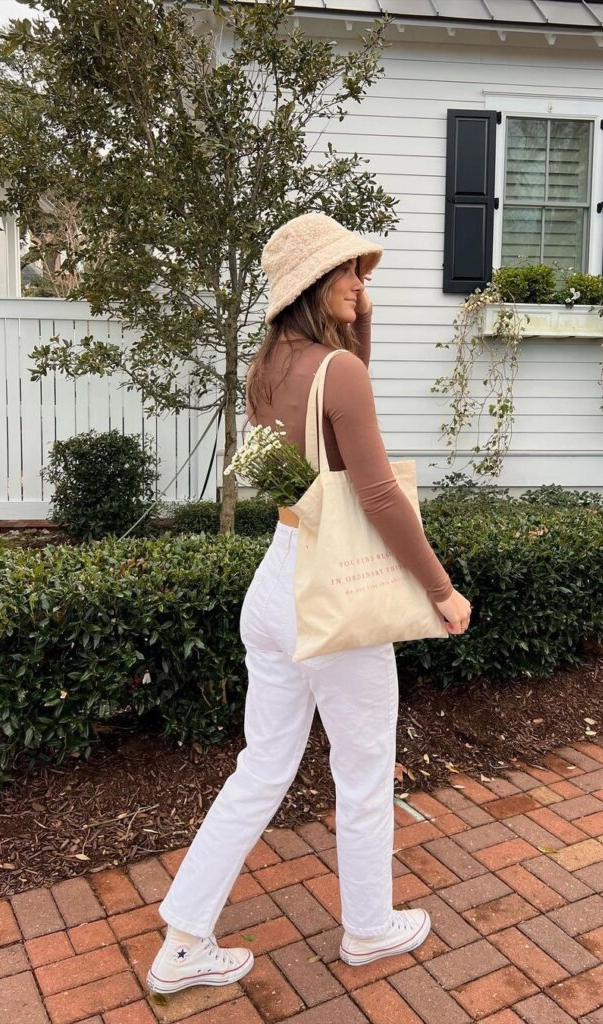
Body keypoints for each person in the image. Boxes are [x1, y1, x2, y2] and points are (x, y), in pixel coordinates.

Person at [147, 212, 472, 995]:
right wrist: (441, 590)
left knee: (260, 767)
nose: (363, 284)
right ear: (314, 285)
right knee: (361, 772)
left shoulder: (267, 369)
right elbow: (380, 497)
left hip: (279, 579)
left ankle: (183, 940)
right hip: (335, 595)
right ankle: (366, 929)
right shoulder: (340, 372)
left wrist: (357, 328)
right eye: (350, 273)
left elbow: (304, 467)